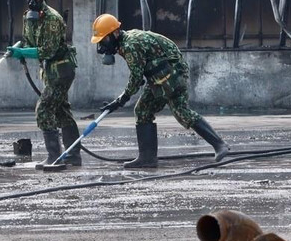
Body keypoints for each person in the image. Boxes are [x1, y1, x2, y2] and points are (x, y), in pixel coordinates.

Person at [90, 13, 229, 169]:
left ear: (115, 33)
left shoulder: (130, 45)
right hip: (159, 76)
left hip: (171, 73)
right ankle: (147, 158)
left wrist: (120, 100)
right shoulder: (124, 42)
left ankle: (219, 145)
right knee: (143, 110)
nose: (103, 46)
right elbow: (141, 69)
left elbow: (136, 78)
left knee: (181, 111)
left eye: (104, 40)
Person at [5, 0, 81, 168]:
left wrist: (22, 53)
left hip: (61, 69)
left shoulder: (52, 19)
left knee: (44, 109)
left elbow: (47, 51)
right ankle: (73, 156)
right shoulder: (28, 17)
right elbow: (29, 41)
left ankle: (54, 157)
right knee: (62, 111)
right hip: (49, 71)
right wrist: (18, 47)